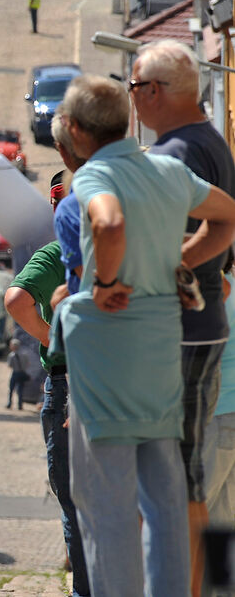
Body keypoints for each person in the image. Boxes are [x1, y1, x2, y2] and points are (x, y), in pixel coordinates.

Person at [48, 74, 235, 596]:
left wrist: (105, 282)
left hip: (108, 354)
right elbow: (226, 216)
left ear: (78, 130)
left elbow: (107, 224)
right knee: (166, 495)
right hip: (161, 347)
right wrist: (182, 260)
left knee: (106, 502)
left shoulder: (94, 178)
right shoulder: (169, 170)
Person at [131, 40, 235, 596]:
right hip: (205, 329)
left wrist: (166, 268)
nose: (132, 102)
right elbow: (225, 227)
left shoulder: (174, 156)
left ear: (156, 92)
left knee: (170, 488)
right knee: (196, 496)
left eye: (133, 88)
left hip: (176, 337)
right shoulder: (212, 142)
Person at [4, 139, 90, 597]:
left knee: (73, 500)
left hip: (66, 383)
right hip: (118, 379)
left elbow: (15, 299)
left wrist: (49, 336)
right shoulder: (121, 243)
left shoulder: (55, 255)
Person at [203, 253, 235, 525]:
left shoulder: (214, 297)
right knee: (223, 520)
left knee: (197, 512)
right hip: (227, 414)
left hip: (216, 416)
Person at [4, 339, 29, 410]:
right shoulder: (24, 354)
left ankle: (9, 404)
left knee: (11, 389)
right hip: (22, 373)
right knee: (20, 390)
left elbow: (9, 365)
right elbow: (27, 364)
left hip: (15, 373)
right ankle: (20, 405)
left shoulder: (11, 355)